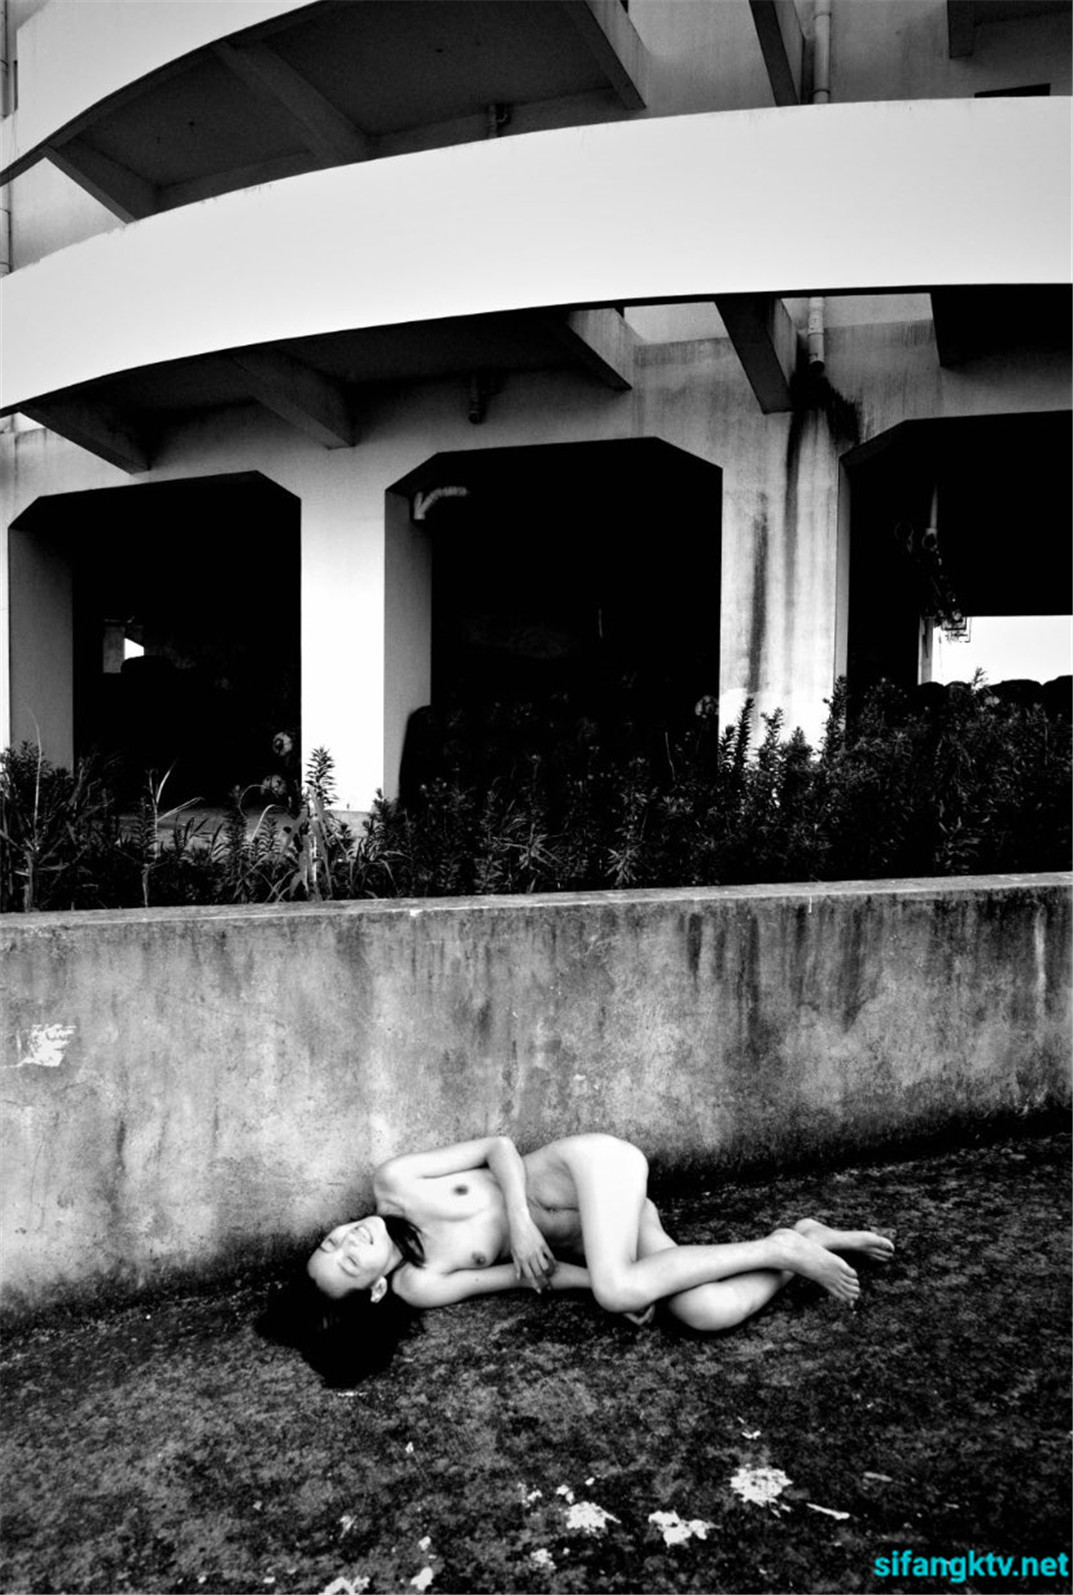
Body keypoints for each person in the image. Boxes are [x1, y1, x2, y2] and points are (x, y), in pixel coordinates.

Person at [259, 1133, 893, 1387]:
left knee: (618, 1288)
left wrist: (518, 1218)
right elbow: (529, 1276)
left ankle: (774, 1249)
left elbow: (499, 1145)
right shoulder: (421, 1283)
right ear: (375, 1290)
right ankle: (801, 1239)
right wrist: (604, 1286)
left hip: (593, 1168)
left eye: (331, 1242)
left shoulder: (395, 1181)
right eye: (348, 1262)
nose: (348, 1241)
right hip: (608, 1229)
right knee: (703, 1311)